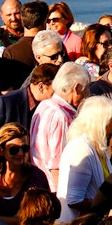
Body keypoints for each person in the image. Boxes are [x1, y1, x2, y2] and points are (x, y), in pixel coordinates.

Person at [0, 63, 58, 159]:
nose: (58, 95)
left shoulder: (50, 107)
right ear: (41, 86)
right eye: (55, 90)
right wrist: (4, 158)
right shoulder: (6, 103)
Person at [0, 122, 50, 225]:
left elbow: (31, 222)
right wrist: (14, 220)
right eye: (14, 150)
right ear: (1, 150)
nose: (21, 153)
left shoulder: (36, 178)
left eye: (25, 148)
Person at [31, 62, 90, 191]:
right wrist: (63, 202)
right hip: (54, 190)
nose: (88, 94)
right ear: (77, 88)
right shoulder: (61, 116)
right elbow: (57, 165)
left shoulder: (44, 105)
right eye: (87, 88)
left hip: (39, 184)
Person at [57, 96, 112, 222]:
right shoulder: (81, 150)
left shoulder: (98, 145)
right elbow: (74, 200)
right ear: (102, 121)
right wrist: (108, 205)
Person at [4, 0, 47, 67]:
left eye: (17, 13)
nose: (13, 18)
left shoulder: (11, 52)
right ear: (44, 23)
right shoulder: (54, 46)